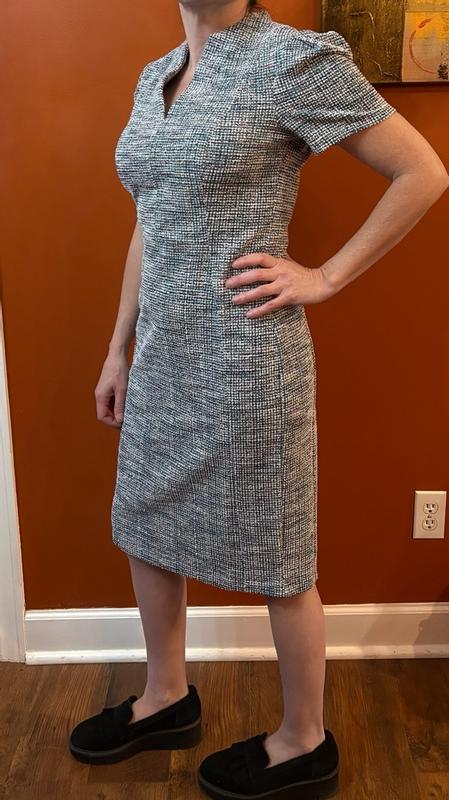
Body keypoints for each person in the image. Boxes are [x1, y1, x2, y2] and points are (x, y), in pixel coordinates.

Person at [69, 1, 449, 798]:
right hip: (161, 355)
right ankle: (165, 697)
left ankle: (304, 740)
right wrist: (116, 348)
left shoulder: (289, 61)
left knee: (279, 555)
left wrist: (325, 276)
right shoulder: (155, 77)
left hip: (247, 360)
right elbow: (149, 220)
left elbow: (422, 172)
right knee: (144, 523)